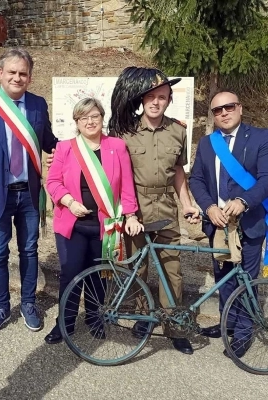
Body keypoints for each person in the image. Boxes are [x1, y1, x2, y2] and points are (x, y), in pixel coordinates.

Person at [0, 48, 58, 334]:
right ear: (0, 73)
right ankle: (1, 307)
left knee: (29, 250)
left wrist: (87, 146)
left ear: (30, 77)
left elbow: (50, 141)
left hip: (29, 194)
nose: (18, 77)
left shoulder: (39, 105)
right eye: (12, 72)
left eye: (23, 73)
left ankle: (28, 303)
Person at [108, 67, 199, 355]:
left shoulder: (177, 131)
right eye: (151, 96)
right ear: (141, 99)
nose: (156, 102)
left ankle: (174, 326)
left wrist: (186, 203)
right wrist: (127, 212)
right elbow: (116, 176)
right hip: (137, 208)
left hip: (166, 207)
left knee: (172, 268)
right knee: (139, 267)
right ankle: (144, 318)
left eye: (162, 97)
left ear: (169, 101)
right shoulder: (124, 132)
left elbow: (178, 172)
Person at [44, 97, 143, 344]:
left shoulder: (117, 146)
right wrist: (69, 202)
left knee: (100, 274)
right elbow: (53, 182)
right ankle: (64, 322)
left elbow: (127, 185)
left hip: (106, 225)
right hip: (72, 224)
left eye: (95, 116)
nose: (90, 121)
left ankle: (94, 317)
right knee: (71, 274)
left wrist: (130, 214)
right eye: (84, 117)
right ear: (77, 122)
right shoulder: (66, 148)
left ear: (102, 118)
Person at [189, 89, 268, 358]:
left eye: (229, 107)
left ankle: (244, 332)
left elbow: (266, 179)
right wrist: (209, 207)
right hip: (218, 223)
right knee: (224, 277)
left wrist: (244, 201)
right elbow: (196, 180)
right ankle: (228, 325)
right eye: (217, 110)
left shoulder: (261, 137)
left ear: (240, 108)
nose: (223, 113)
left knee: (246, 278)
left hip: (250, 222)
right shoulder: (208, 143)